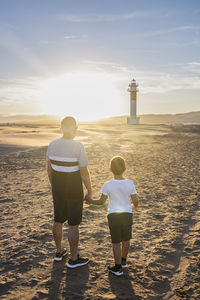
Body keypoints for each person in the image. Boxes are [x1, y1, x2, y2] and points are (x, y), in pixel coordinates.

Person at [46, 116, 93, 268]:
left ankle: (59, 252)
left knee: (58, 220)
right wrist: (90, 190)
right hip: (74, 189)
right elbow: (84, 172)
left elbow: (49, 169)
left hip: (58, 188)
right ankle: (73, 258)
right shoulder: (78, 146)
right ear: (75, 129)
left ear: (61, 128)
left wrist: (54, 186)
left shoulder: (52, 145)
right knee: (73, 224)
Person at [86, 156, 138, 276]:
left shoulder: (107, 185)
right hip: (127, 214)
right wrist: (133, 207)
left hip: (113, 215)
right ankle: (124, 260)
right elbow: (136, 200)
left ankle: (118, 267)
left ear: (110, 170)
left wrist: (90, 200)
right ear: (125, 169)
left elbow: (101, 202)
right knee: (126, 238)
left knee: (116, 242)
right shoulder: (130, 183)